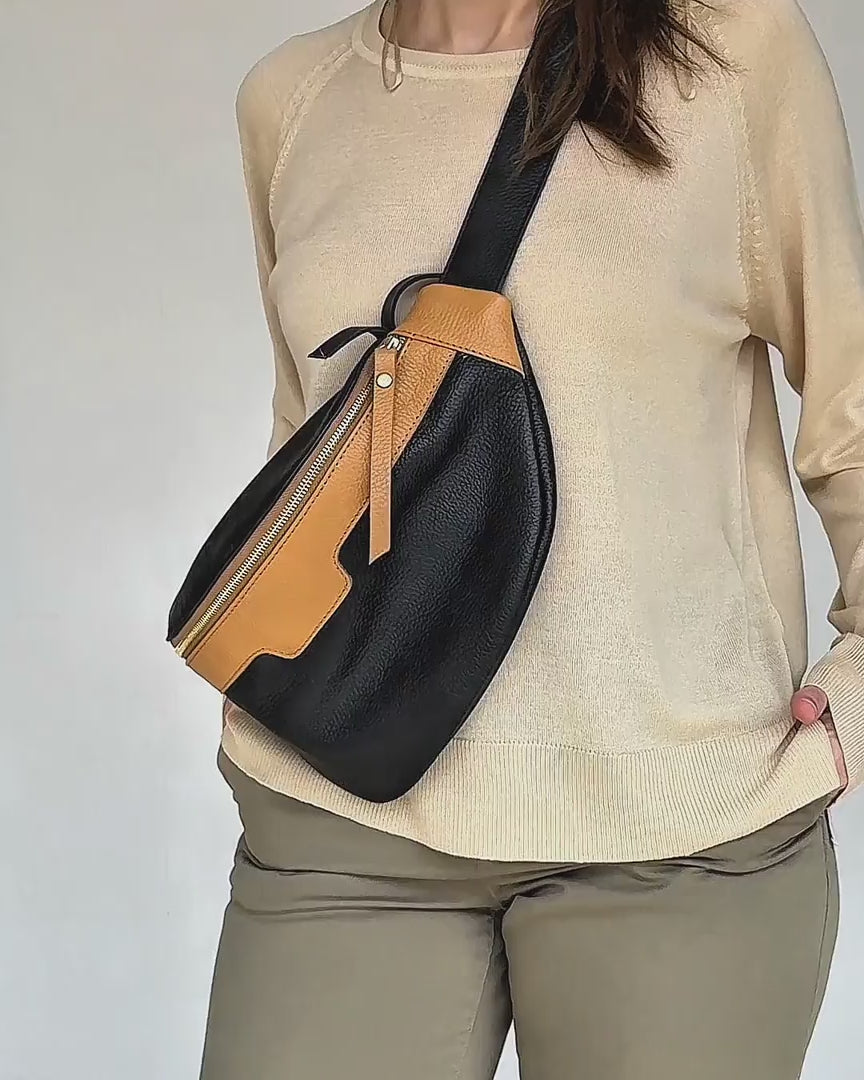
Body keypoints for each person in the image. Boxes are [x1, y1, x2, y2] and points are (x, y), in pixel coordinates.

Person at [198, 1, 864, 1076]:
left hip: (677, 821)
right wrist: (270, 667)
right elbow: (314, 431)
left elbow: (853, 406)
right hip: (339, 817)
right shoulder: (293, 97)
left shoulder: (730, 52)